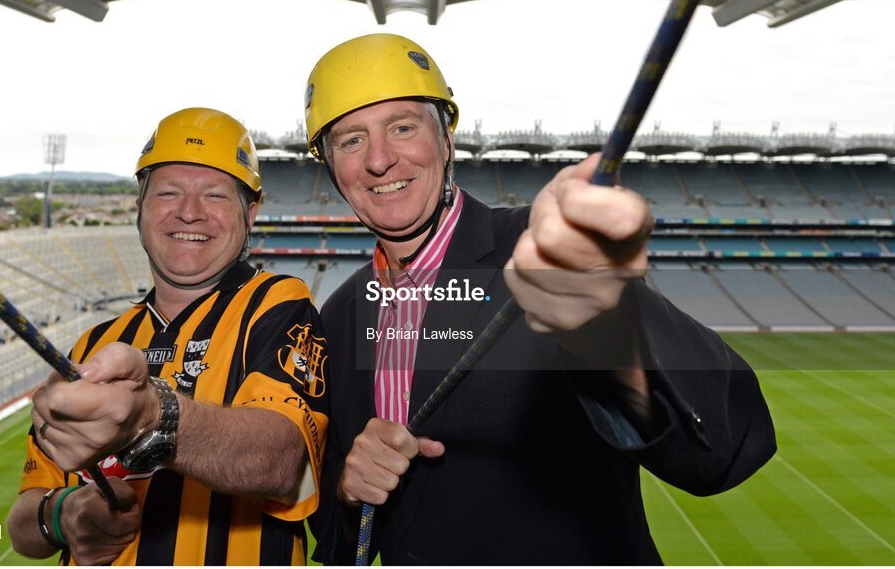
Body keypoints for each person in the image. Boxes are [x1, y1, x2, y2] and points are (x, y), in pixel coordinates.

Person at [304, 34, 776, 564]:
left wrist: (610, 326)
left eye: (404, 127)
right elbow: (339, 540)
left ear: (446, 141)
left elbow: (728, 449)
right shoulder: (341, 315)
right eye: (350, 140)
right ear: (330, 167)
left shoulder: (541, 249)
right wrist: (349, 491)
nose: (380, 160)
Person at [6, 108, 329, 565]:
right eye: (168, 193)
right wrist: (64, 513)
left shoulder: (277, 303)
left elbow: (280, 462)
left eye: (215, 195)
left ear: (250, 212)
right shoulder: (91, 344)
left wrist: (151, 418)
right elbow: (25, 519)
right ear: (139, 205)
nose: (190, 213)